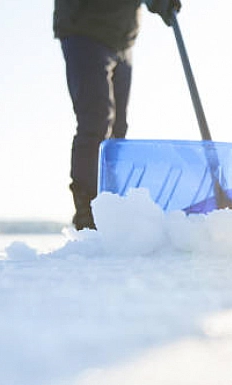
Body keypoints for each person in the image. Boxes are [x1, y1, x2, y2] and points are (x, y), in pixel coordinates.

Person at [54, 0, 181, 230]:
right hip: (86, 29)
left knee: (118, 130)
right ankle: (88, 211)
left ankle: (111, 206)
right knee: (96, 122)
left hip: (121, 40)